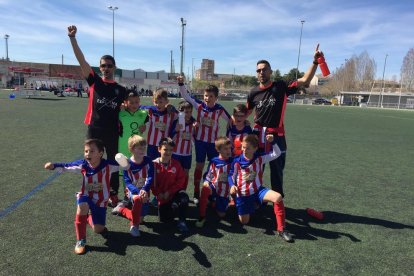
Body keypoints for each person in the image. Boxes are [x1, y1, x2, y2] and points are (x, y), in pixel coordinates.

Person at [246, 47, 321, 212]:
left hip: (277, 137)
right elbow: (245, 113)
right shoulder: (253, 92)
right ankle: (254, 198)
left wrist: (315, 62)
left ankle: (277, 205)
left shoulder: (281, 86)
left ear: (270, 71)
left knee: (277, 173)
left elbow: (305, 81)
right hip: (258, 137)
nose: (261, 73)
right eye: (258, 70)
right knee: (256, 169)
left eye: (264, 69)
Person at [67, 25, 128, 207]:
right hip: (94, 129)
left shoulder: (121, 90)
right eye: (103, 65)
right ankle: (89, 189)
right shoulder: (94, 81)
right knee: (91, 160)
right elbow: (82, 60)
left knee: (114, 161)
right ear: (99, 68)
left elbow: (133, 106)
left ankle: (114, 193)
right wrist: (72, 39)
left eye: (109, 66)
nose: (106, 68)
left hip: (112, 131)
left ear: (114, 67)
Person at [44, 139, 119, 254]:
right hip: (85, 195)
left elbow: (129, 166)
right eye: (86, 151)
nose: (88, 154)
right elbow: (66, 166)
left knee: (98, 230)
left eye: (92, 151)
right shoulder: (83, 164)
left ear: (100, 153)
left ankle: (90, 217)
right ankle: (81, 240)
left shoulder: (109, 165)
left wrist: (126, 161)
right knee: (82, 205)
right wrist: (53, 166)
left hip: (100, 200)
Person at [228, 134, 293, 242]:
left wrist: (273, 142)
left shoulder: (259, 158)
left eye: (248, 148)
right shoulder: (237, 161)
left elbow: (276, 154)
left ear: (255, 148)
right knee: (244, 221)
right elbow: (231, 175)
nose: (244, 150)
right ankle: (253, 204)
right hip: (243, 194)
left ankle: (281, 229)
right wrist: (232, 185)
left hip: (258, 190)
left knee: (278, 197)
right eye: (243, 147)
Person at [177, 76, 231, 204]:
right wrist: (181, 83)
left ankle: (211, 191)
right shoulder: (199, 105)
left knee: (214, 167)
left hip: (213, 143)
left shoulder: (219, 109)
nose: (207, 98)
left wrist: (241, 124)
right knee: (199, 166)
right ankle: (196, 192)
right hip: (200, 142)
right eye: (206, 95)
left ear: (216, 98)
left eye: (210, 96)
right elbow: (186, 96)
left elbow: (231, 121)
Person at [112, 135, 154, 237]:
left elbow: (150, 176)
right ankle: (134, 226)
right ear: (131, 148)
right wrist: (136, 191)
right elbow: (127, 181)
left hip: (145, 190)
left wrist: (144, 189)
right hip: (133, 191)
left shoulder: (148, 160)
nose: (143, 150)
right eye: (140, 148)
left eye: (144, 147)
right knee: (138, 200)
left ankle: (122, 210)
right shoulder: (126, 163)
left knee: (140, 218)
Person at [151, 137, 189, 232]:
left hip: (173, 193)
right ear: (159, 149)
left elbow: (181, 180)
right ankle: (171, 206)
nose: (168, 152)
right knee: (164, 220)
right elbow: (151, 183)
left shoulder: (176, 164)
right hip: (161, 196)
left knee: (184, 198)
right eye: (165, 149)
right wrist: (158, 194)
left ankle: (182, 221)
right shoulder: (153, 165)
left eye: (171, 150)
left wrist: (169, 191)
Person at [196, 137, 233, 228]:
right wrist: (206, 182)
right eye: (225, 149)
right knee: (205, 190)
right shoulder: (214, 161)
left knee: (221, 214)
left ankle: (214, 201)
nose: (228, 151)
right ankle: (202, 216)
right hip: (214, 186)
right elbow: (209, 174)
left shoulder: (233, 161)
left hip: (224, 190)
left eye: (229, 148)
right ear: (218, 150)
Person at [141, 89, 177, 160]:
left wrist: (172, 107)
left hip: (164, 146)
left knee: (163, 165)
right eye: (156, 102)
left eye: (160, 102)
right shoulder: (151, 110)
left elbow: (182, 114)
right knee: (151, 164)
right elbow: (139, 107)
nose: (158, 104)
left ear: (166, 101)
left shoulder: (171, 113)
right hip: (151, 144)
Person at [170, 101, 196, 187]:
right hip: (176, 153)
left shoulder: (193, 123)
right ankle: (173, 193)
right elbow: (170, 136)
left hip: (187, 154)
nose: (188, 114)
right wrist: (175, 130)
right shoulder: (177, 122)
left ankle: (183, 192)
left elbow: (195, 137)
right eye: (186, 112)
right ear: (181, 113)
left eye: (190, 112)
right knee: (174, 173)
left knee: (186, 173)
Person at [118, 91, 149, 158]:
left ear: (139, 101)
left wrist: (146, 126)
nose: (134, 105)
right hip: (123, 146)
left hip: (138, 147)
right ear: (126, 102)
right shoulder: (120, 113)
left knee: (136, 166)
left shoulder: (144, 114)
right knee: (123, 167)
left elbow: (152, 122)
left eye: (136, 102)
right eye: (131, 103)